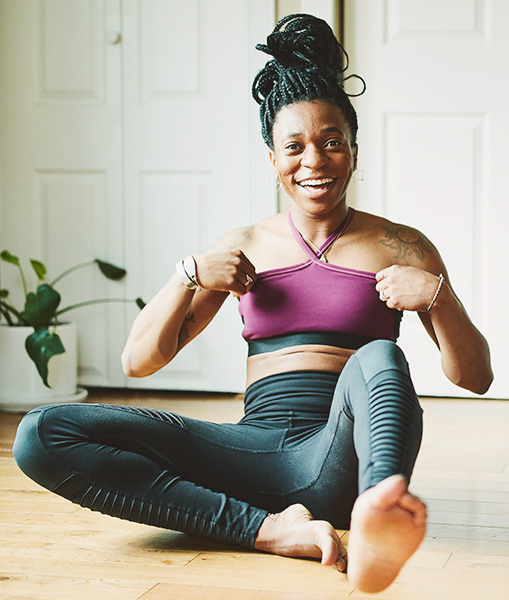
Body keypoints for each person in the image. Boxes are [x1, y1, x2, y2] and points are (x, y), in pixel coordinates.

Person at [13, 14, 492, 593]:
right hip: (247, 455)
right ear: (273, 160)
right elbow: (138, 363)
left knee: (380, 359)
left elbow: (476, 377)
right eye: (294, 146)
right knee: (41, 432)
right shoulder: (240, 247)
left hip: (338, 455)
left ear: (355, 151)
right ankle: (266, 530)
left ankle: (378, 516)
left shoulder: (402, 246)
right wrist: (189, 275)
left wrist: (437, 298)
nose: (313, 160)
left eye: (331, 142)